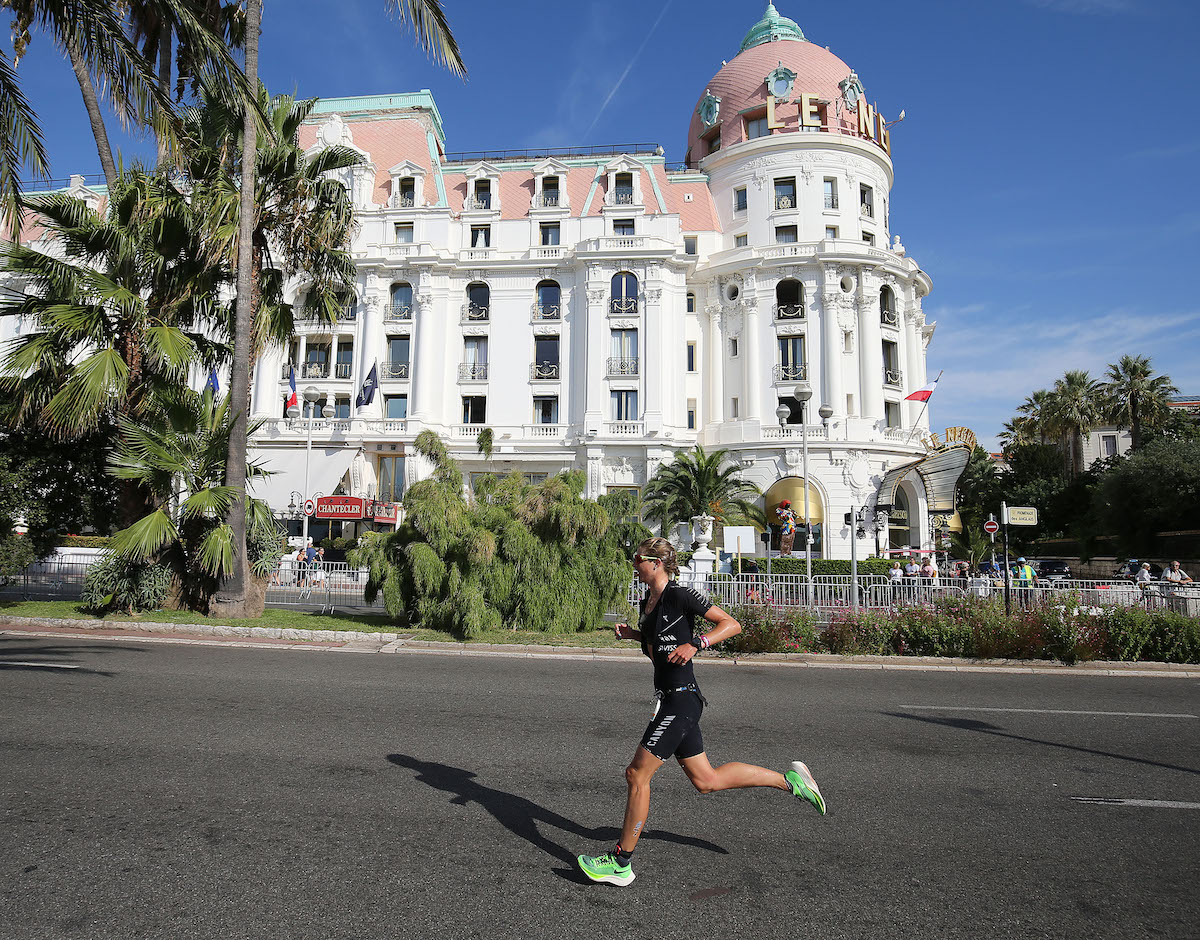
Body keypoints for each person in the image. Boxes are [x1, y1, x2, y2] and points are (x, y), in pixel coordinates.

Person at [576, 537, 826, 887]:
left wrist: (697, 643)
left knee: (636, 775)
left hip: (682, 701)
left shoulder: (679, 595)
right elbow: (659, 651)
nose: (634, 563)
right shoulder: (648, 603)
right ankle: (791, 782)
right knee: (706, 781)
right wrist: (635, 635)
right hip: (672, 699)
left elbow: (731, 623)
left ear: (657, 562)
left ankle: (620, 862)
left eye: (639, 558)